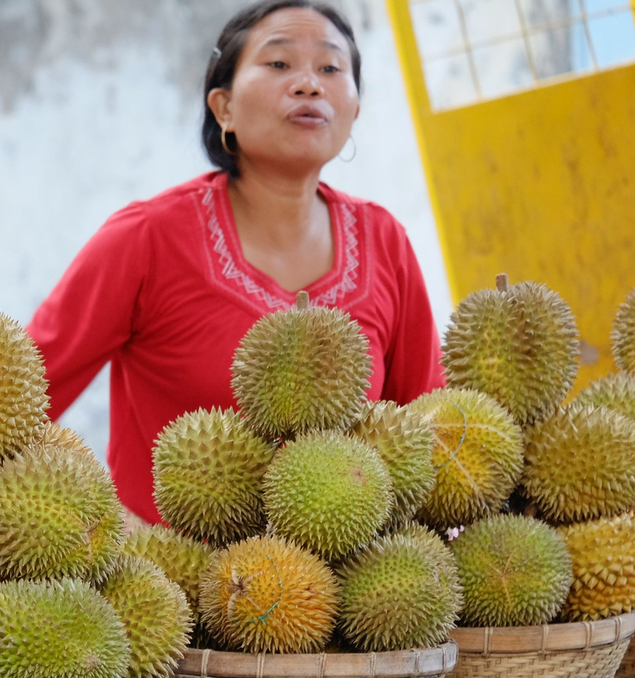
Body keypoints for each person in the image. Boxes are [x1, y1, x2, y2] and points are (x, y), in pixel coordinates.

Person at [26, 0, 445, 528]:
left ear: (355, 109)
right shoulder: (146, 238)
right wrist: (100, 523)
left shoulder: (385, 241)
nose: (309, 84)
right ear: (222, 106)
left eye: (331, 68)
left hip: (348, 599)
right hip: (165, 593)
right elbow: (17, 406)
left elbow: (427, 432)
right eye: (278, 64)